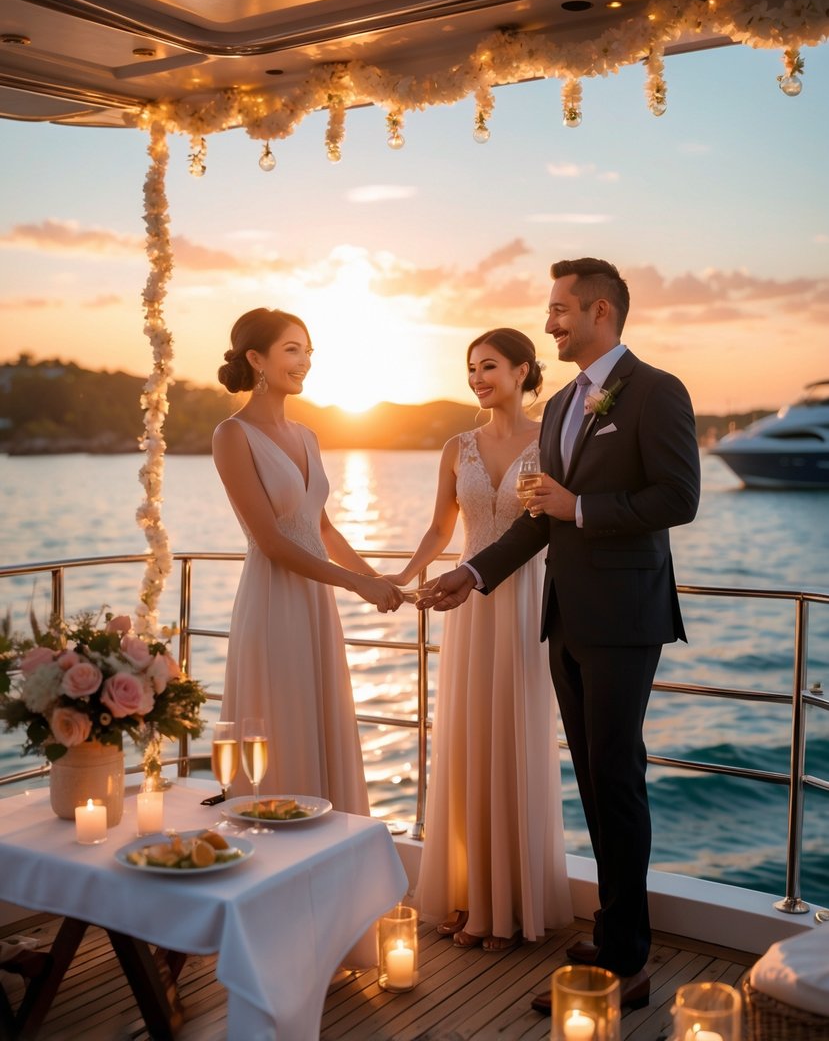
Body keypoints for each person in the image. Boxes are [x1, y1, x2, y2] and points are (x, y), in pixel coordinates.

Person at [419, 259, 700, 1011]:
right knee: (594, 781)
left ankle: (627, 962)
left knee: (616, 779)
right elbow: (543, 515)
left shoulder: (656, 390)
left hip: (623, 619)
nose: (547, 323)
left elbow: (678, 497)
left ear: (599, 312)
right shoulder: (566, 405)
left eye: (559, 310)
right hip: (564, 619)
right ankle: (612, 932)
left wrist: (582, 508)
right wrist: (472, 575)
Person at [389, 329, 572, 951]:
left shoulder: (550, 439)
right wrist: (402, 579)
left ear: (523, 371)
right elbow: (442, 526)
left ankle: (512, 907)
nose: (477, 378)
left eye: (489, 366)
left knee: (515, 740)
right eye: (471, 369)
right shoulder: (455, 446)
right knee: (468, 744)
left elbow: (550, 524)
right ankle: (471, 899)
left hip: (523, 601)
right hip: (466, 607)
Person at [213, 307, 403, 814]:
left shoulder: (308, 435)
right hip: (272, 601)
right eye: (292, 349)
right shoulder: (232, 435)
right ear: (256, 358)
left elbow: (322, 527)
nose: (305, 361)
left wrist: (375, 577)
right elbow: (271, 540)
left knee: (321, 723)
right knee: (282, 724)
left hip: (316, 604)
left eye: (309, 350)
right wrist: (356, 586)